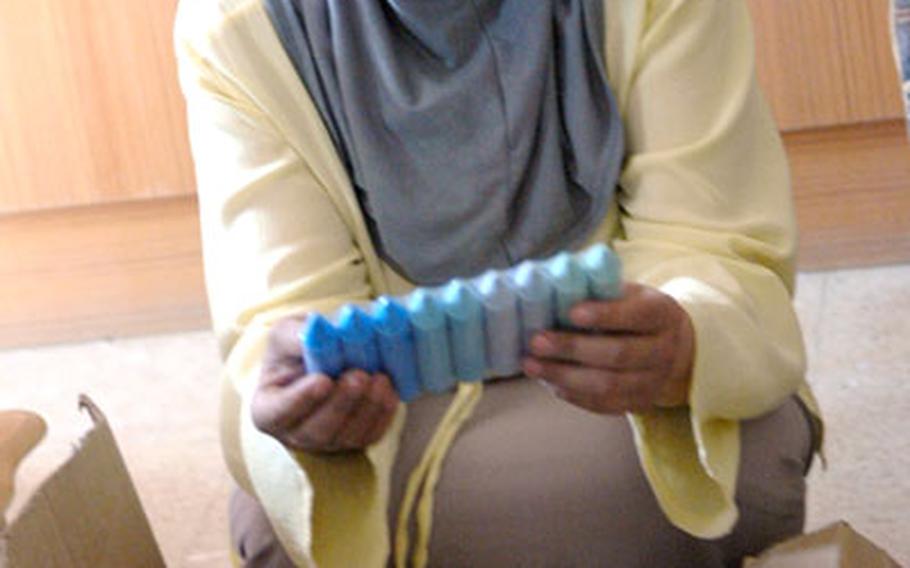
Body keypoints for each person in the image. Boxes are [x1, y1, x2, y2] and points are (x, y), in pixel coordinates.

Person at [174, 0, 823, 566]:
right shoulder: (241, 21)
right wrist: (299, 396)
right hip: (390, 423)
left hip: (620, 398)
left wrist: (682, 341)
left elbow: (714, 249)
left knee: (729, 461)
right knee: (288, 520)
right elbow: (277, 317)